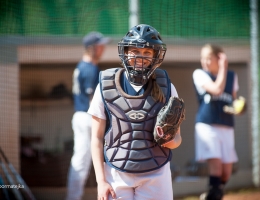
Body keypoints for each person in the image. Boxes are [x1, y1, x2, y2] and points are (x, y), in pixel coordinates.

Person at [88, 24, 182, 200]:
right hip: (116, 174)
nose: (141, 57)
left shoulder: (167, 87)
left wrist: (168, 140)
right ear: (125, 52)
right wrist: (101, 181)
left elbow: (177, 139)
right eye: (135, 51)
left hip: (156, 173)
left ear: (156, 56)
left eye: (147, 52)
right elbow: (96, 138)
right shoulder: (106, 85)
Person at [66, 31, 110, 200]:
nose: (103, 49)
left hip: (80, 116)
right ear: (91, 48)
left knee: (81, 161)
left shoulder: (81, 66)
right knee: (84, 162)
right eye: (100, 46)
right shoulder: (90, 69)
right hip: (87, 118)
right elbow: (94, 102)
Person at [192, 44, 239, 200]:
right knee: (216, 168)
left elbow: (233, 100)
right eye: (202, 58)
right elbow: (217, 89)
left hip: (226, 126)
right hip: (207, 125)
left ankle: (211, 194)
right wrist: (223, 68)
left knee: (226, 173)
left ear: (218, 58)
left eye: (208, 58)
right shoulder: (199, 74)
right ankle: (214, 194)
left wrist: (239, 107)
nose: (205, 62)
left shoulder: (233, 76)